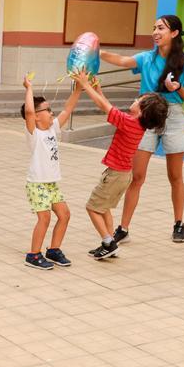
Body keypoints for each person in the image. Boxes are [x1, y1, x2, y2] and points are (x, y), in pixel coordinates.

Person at [99, 15, 184, 243]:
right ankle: (123, 228)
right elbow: (122, 60)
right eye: (154, 28)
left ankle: (178, 223)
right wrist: (98, 53)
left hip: (173, 115)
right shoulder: (146, 58)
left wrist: (178, 88)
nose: (155, 32)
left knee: (175, 176)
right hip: (145, 115)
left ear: (174, 33)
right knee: (137, 176)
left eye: (160, 28)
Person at [73, 71, 168, 260]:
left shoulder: (128, 123)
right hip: (124, 175)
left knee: (92, 208)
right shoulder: (136, 125)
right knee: (104, 207)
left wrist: (86, 85)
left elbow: (104, 106)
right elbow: (108, 106)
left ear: (141, 111)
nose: (134, 100)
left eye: (137, 100)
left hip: (116, 175)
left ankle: (108, 242)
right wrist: (98, 89)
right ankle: (110, 245)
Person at [21, 76, 82, 270]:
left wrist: (79, 89)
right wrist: (29, 88)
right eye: (47, 109)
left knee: (64, 215)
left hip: (51, 183)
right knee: (44, 218)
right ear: (37, 116)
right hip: (37, 183)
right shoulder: (34, 133)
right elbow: (29, 110)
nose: (51, 112)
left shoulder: (52, 129)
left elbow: (68, 109)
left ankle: (54, 250)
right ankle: (33, 254)